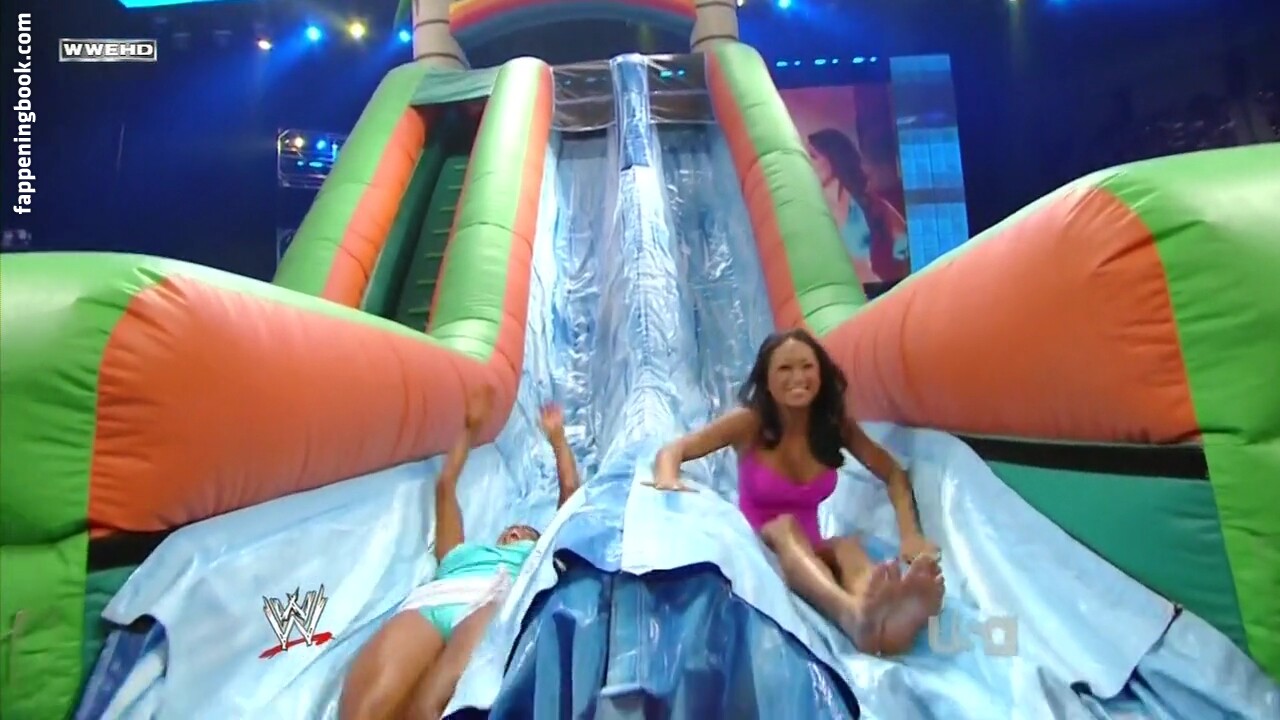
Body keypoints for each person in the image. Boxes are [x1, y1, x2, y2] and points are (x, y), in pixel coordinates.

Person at [649, 329, 943, 656]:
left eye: (806, 366)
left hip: (809, 556)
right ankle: (853, 615)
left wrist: (910, 535)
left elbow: (893, 474)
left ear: (821, 373)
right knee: (785, 526)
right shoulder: (749, 422)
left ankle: (881, 619)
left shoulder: (833, 425)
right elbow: (674, 450)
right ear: (767, 380)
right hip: (760, 549)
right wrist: (668, 481)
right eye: (784, 369)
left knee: (845, 546)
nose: (798, 378)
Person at [339, 390, 580, 720]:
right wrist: (469, 428)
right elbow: (445, 485)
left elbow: (570, 500)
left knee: (428, 709)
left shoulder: (535, 560)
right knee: (363, 712)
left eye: (528, 532)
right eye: (513, 528)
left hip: (493, 599)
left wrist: (558, 439)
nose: (517, 530)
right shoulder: (458, 552)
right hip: (435, 600)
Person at [807, 128, 910, 283]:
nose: (806, 164)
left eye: (812, 156)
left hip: (876, 291)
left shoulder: (876, 207)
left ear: (834, 158)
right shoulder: (808, 209)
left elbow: (907, 250)